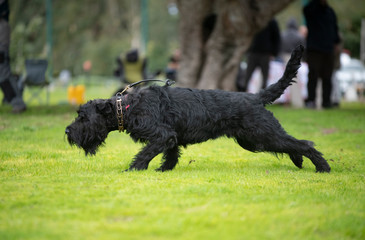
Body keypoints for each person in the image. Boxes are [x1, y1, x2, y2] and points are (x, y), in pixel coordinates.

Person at [303, 0, 340, 109]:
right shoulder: (311, 9)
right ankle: (311, 101)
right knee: (313, 75)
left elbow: (334, 28)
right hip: (315, 48)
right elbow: (306, 11)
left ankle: (326, 102)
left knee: (327, 77)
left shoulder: (330, 11)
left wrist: (335, 42)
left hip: (328, 49)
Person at [0, 0, 26, 113]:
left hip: (1, 57)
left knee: (6, 80)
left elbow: (3, 47)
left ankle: (18, 103)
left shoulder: (3, 26)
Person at [241, 19, 281, 92]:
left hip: (265, 53)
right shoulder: (254, 19)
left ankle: (263, 96)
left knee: (264, 77)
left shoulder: (271, 21)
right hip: (253, 52)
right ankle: (243, 92)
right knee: (247, 76)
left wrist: (274, 53)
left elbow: (276, 37)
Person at [280, 18, 305, 107]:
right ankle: (297, 102)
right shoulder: (299, 36)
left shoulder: (282, 35)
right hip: (295, 58)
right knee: (295, 81)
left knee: (283, 80)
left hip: (283, 58)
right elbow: (303, 48)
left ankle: (283, 101)